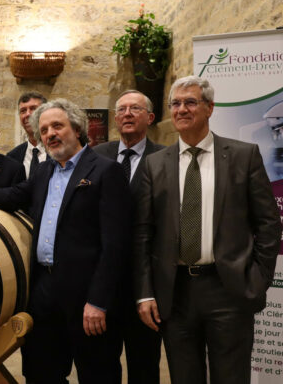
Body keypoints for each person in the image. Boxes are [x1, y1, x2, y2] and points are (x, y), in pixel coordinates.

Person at [0, 98, 131, 384]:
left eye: (57, 126)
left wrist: (98, 301)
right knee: (41, 372)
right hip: (43, 290)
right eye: (44, 130)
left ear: (77, 129)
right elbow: (10, 196)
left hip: (86, 295)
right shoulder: (44, 170)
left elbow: (115, 245)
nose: (50, 134)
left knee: (97, 373)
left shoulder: (105, 170)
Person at [134, 76, 282, 384]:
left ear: (210, 108)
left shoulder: (243, 156)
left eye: (190, 102)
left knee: (231, 377)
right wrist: (145, 292)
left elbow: (268, 223)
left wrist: (257, 279)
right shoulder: (155, 164)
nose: (181, 110)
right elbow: (144, 234)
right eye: (175, 103)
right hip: (174, 293)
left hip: (228, 289)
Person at [93, 90, 164, 384]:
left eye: (135, 109)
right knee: (101, 365)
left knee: (144, 365)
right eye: (121, 109)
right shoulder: (97, 155)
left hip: (145, 282)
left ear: (150, 117)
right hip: (104, 282)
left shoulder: (165, 158)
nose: (127, 114)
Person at [7, 92, 47, 179]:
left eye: (33, 109)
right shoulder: (12, 156)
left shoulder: (58, 151)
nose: (27, 114)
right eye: (23, 111)